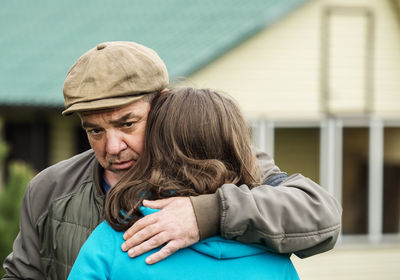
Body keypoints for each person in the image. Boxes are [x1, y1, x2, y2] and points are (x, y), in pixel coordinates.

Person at [2, 41, 341, 280]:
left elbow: (321, 216)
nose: (112, 146)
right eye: (94, 131)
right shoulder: (49, 188)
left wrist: (206, 214)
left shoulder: (232, 167)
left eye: (127, 124)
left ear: (163, 104)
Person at [68, 87, 300, 280]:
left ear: (156, 147)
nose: (114, 147)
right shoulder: (275, 257)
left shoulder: (117, 239)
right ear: (238, 149)